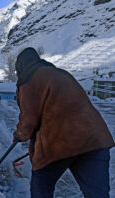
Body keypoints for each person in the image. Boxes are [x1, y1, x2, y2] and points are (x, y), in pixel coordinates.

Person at [13, 47, 114, 198]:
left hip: (58, 143)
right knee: (97, 194)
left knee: (41, 188)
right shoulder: (61, 73)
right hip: (95, 141)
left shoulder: (30, 79)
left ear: (21, 67)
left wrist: (19, 135)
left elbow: (28, 121)